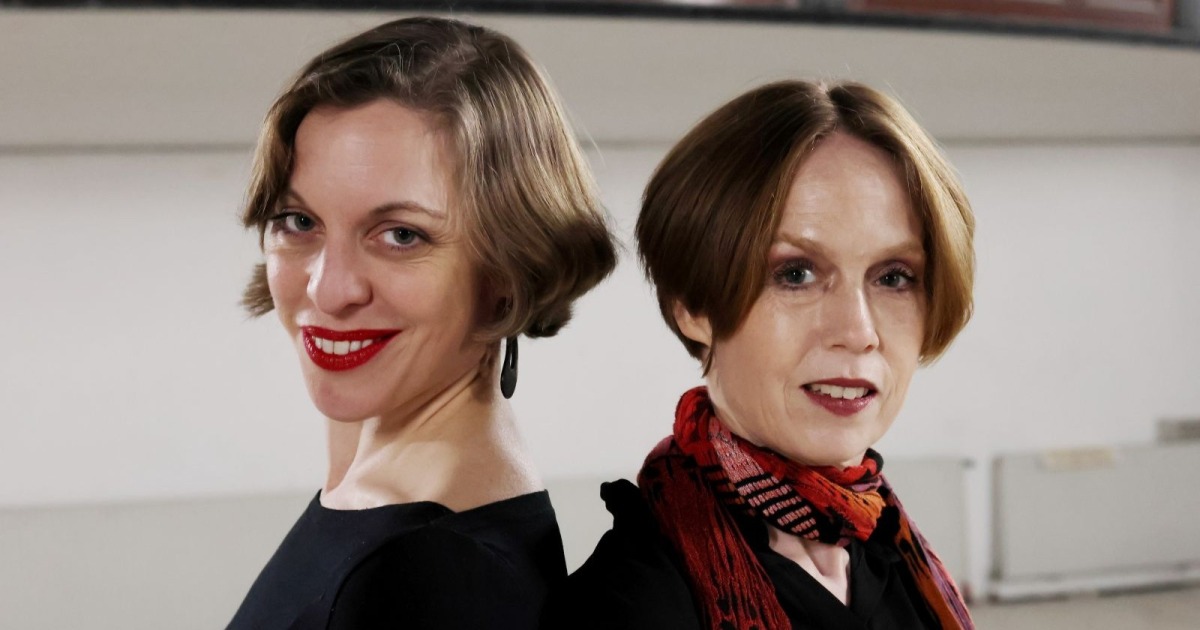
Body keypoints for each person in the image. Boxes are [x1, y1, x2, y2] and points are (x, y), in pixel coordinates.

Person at [228, 17, 616, 629]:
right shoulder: (383, 493)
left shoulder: (424, 575)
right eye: (299, 222)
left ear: (508, 269)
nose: (329, 289)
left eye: (401, 236)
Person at [543, 80, 976, 629]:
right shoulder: (630, 603)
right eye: (796, 274)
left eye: (893, 277)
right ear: (694, 305)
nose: (858, 331)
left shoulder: (894, 550)